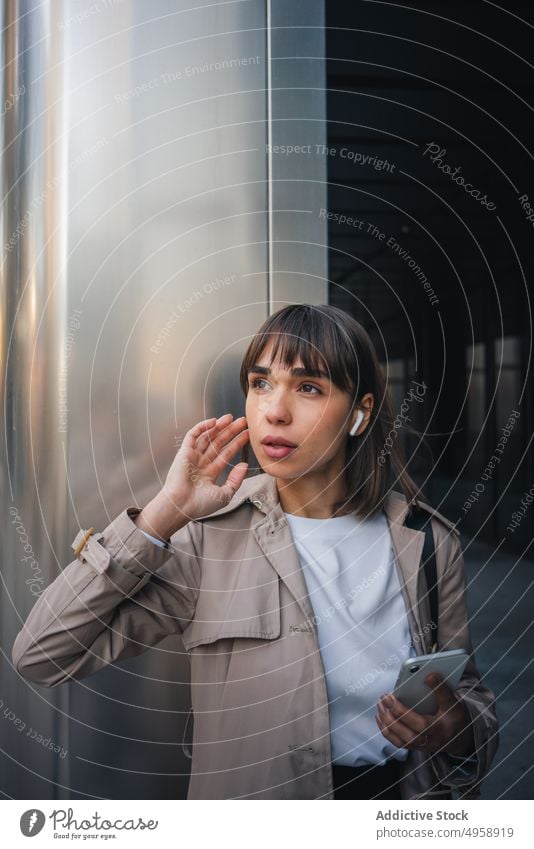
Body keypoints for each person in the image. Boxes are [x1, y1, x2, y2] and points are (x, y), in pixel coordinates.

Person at [12, 303, 499, 800]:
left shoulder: (425, 540)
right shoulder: (210, 537)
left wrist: (455, 729)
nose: (274, 411)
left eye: (308, 387)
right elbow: (42, 654)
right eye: (261, 383)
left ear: (361, 413)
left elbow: (468, 697)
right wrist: (163, 513)